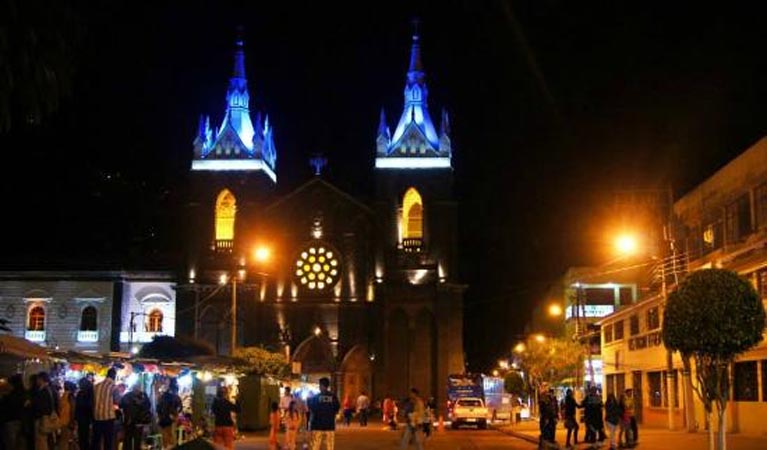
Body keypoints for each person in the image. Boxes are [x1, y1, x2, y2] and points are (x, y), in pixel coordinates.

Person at [307, 377, 340, 450]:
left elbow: (312, 409)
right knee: (330, 446)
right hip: (329, 425)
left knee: (315, 446)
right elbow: (337, 408)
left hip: (317, 425)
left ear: (322, 386)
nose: (319, 387)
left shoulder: (316, 397)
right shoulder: (333, 397)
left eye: (319, 385)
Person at [120, 383, 152, 450]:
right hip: (137, 421)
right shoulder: (143, 396)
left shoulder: (127, 396)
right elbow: (148, 406)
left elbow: (121, 405)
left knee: (128, 439)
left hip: (131, 421)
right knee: (136, 440)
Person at [93, 368, 119, 450]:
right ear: (114, 376)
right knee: (108, 441)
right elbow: (117, 401)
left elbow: (93, 401)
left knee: (96, 440)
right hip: (108, 418)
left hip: (97, 417)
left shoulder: (96, 386)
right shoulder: (114, 387)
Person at [32, 372, 58, 450]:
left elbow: (42, 406)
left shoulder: (44, 390)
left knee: (41, 440)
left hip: (43, 418)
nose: (37, 381)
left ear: (41, 379)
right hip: (50, 417)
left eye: (38, 379)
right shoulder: (52, 389)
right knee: (49, 438)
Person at [2, 374, 27, 450]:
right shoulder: (24, 393)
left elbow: (10, 407)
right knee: (18, 443)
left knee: (11, 443)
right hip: (21, 421)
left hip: (11, 421)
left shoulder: (12, 395)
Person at [157, 379, 183, 450]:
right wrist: (175, 414)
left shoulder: (162, 397)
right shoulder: (175, 397)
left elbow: (158, 408)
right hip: (169, 418)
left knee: (165, 434)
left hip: (163, 419)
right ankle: (170, 447)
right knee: (170, 434)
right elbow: (180, 407)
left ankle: (166, 447)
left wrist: (159, 416)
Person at [75, 377, 94, 450]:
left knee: (83, 436)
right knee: (84, 436)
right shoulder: (87, 393)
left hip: (84, 418)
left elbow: (86, 405)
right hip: (85, 418)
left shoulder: (84, 393)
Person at [58, 381, 77, 450]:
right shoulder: (70, 396)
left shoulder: (63, 396)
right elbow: (73, 409)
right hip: (68, 421)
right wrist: (72, 421)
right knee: (68, 440)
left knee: (64, 441)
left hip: (63, 421)